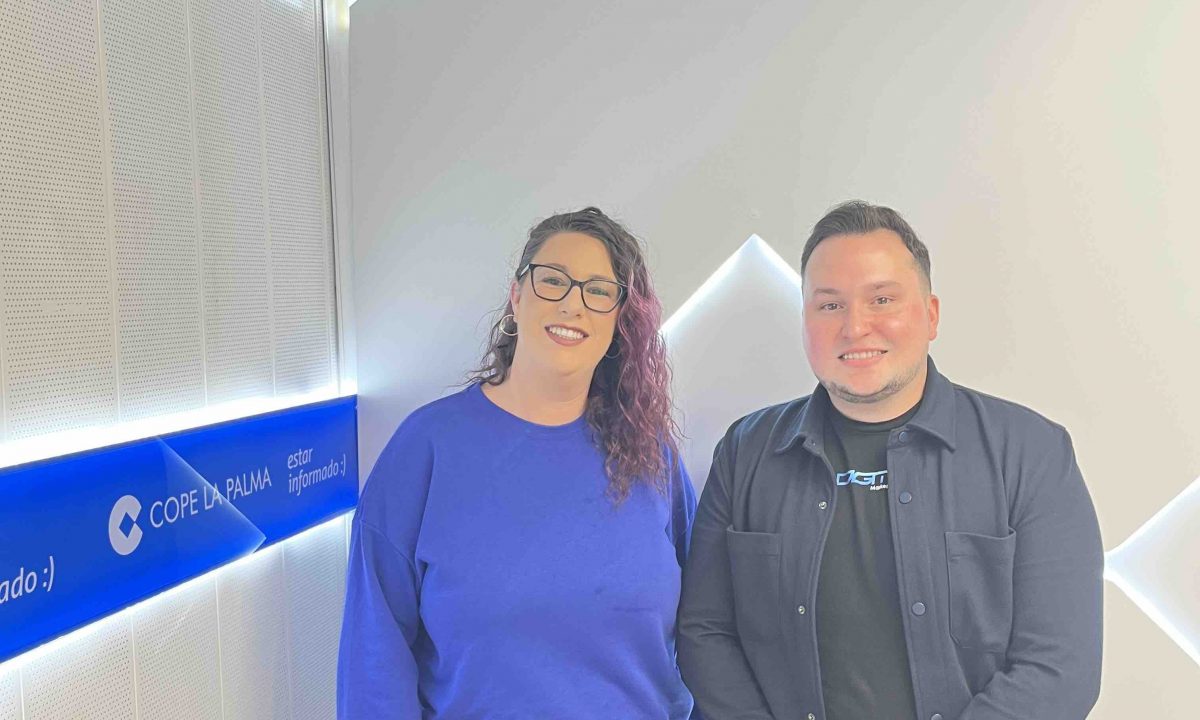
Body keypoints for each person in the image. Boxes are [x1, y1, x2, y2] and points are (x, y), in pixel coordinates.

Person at [678, 201, 1103, 720]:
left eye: (881, 299)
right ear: (805, 320)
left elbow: (1059, 668)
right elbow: (705, 632)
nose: (855, 326)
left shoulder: (1030, 452)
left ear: (931, 314)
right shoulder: (746, 451)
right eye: (829, 305)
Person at [337, 207, 696, 719]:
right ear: (517, 296)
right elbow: (374, 659)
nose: (572, 304)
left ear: (619, 318)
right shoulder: (427, 448)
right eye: (553, 280)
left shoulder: (650, 454)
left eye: (598, 291)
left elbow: (705, 627)